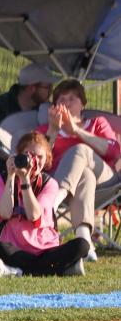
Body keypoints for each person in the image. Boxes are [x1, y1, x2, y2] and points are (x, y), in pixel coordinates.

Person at [35, 78, 121, 261]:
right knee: (85, 176)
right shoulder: (44, 130)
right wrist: (52, 131)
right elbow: (39, 164)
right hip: (74, 183)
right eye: (61, 99)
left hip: (105, 181)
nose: (66, 103)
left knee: (80, 150)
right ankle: (85, 243)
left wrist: (77, 131)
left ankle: (52, 203)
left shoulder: (98, 123)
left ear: (83, 104)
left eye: (72, 98)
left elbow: (114, 151)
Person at [0, 131, 90, 277]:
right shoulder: (0, 180)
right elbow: (4, 214)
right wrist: (11, 177)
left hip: (45, 248)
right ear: (18, 155)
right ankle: (61, 270)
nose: (34, 160)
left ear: (47, 159)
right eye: (29, 155)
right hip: (15, 247)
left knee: (82, 245)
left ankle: (16, 271)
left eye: (40, 157)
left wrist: (25, 181)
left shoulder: (50, 184)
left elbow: (34, 216)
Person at [0, 63, 54, 181]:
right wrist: (13, 159)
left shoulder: (45, 110)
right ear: (32, 88)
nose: (51, 92)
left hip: (36, 167)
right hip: (0, 168)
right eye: (47, 87)